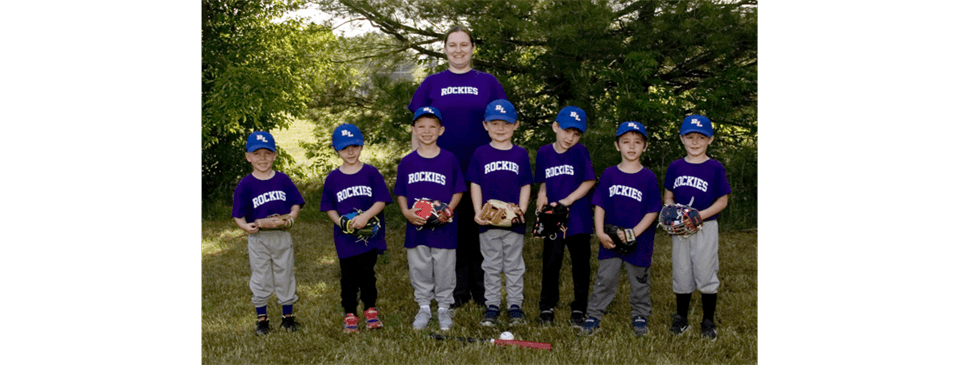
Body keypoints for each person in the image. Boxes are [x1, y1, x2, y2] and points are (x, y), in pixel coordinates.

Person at [408, 25, 508, 308]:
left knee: (481, 229)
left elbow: (503, 125)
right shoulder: (431, 83)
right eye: (452, 45)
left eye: (464, 44)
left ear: (473, 48)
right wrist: (417, 162)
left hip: (482, 169)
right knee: (450, 228)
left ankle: (482, 290)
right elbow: (418, 128)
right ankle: (455, 291)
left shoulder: (488, 82)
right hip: (442, 170)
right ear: (445, 48)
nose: (458, 50)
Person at [580, 122, 661, 337]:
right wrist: (600, 232)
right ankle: (594, 314)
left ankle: (640, 315)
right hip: (611, 239)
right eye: (626, 142)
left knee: (639, 280)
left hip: (639, 240)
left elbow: (653, 211)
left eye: (637, 142)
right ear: (617, 146)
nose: (631, 147)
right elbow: (600, 205)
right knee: (604, 279)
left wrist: (634, 233)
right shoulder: (609, 174)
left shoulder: (648, 177)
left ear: (645, 146)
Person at [394, 107, 467, 331]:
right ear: (414, 130)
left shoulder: (449, 159)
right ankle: (424, 306)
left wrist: (449, 209)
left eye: (432, 126)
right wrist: (406, 212)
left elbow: (458, 189)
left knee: (445, 267)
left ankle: (444, 307)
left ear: (441, 130)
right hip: (416, 227)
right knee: (420, 266)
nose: (427, 131)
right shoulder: (407, 162)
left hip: (444, 227)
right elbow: (401, 192)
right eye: (421, 126)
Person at [464, 100, 532, 327]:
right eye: (495, 123)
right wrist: (477, 212)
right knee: (491, 265)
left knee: (514, 265)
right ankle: (492, 305)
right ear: (485, 125)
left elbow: (525, 185)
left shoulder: (520, 154)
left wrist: (521, 210)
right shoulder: (480, 153)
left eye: (506, 123)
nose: (500, 128)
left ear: (516, 125)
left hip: (513, 224)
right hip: (489, 222)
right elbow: (475, 184)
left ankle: (515, 306)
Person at [319, 123, 393, 333]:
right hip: (346, 238)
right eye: (344, 148)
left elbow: (381, 200)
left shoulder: (370, 173)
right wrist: (342, 222)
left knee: (367, 274)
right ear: (337, 150)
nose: (350, 152)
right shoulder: (333, 178)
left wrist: (365, 216)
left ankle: (370, 309)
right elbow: (328, 207)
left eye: (354, 146)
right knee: (348, 276)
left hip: (370, 235)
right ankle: (350, 312)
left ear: (361, 147)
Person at [663, 115, 731, 340]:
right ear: (682, 139)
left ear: (710, 140)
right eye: (690, 137)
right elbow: (668, 196)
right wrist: (675, 214)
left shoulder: (714, 167)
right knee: (681, 272)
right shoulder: (675, 167)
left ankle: (708, 320)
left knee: (705, 272)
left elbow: (722, 201)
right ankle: (681, 318)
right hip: (682, 228)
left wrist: (697, 216)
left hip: (706, 227)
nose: (695, 142)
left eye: (701, 137)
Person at [232, 131, 306, 335]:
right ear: (248, 156)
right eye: (257, 153)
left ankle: (287, 316)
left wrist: (291, 216)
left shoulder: (282, 179)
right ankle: (262, 319)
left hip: (282, 235)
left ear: (274, 155)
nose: (262, 158)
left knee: (285, 273)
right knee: (261, 276)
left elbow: (295, 204)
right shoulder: (245, 184)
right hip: (258, 238)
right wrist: (245, 227)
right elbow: (238, 214)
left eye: (267, 153)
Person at [534, 106, 597, 326]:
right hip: (553, 218)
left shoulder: (580, 152)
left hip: (578, 217)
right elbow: (543, 181)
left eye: (576, 133)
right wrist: (542, 195)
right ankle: (547, 306)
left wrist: (567, 201)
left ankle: (579, 307)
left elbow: (589, 181)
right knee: (551, 262)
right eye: (566, 131)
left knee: (580, 264)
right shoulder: (544, 152)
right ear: (555, 127)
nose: (570, 138)